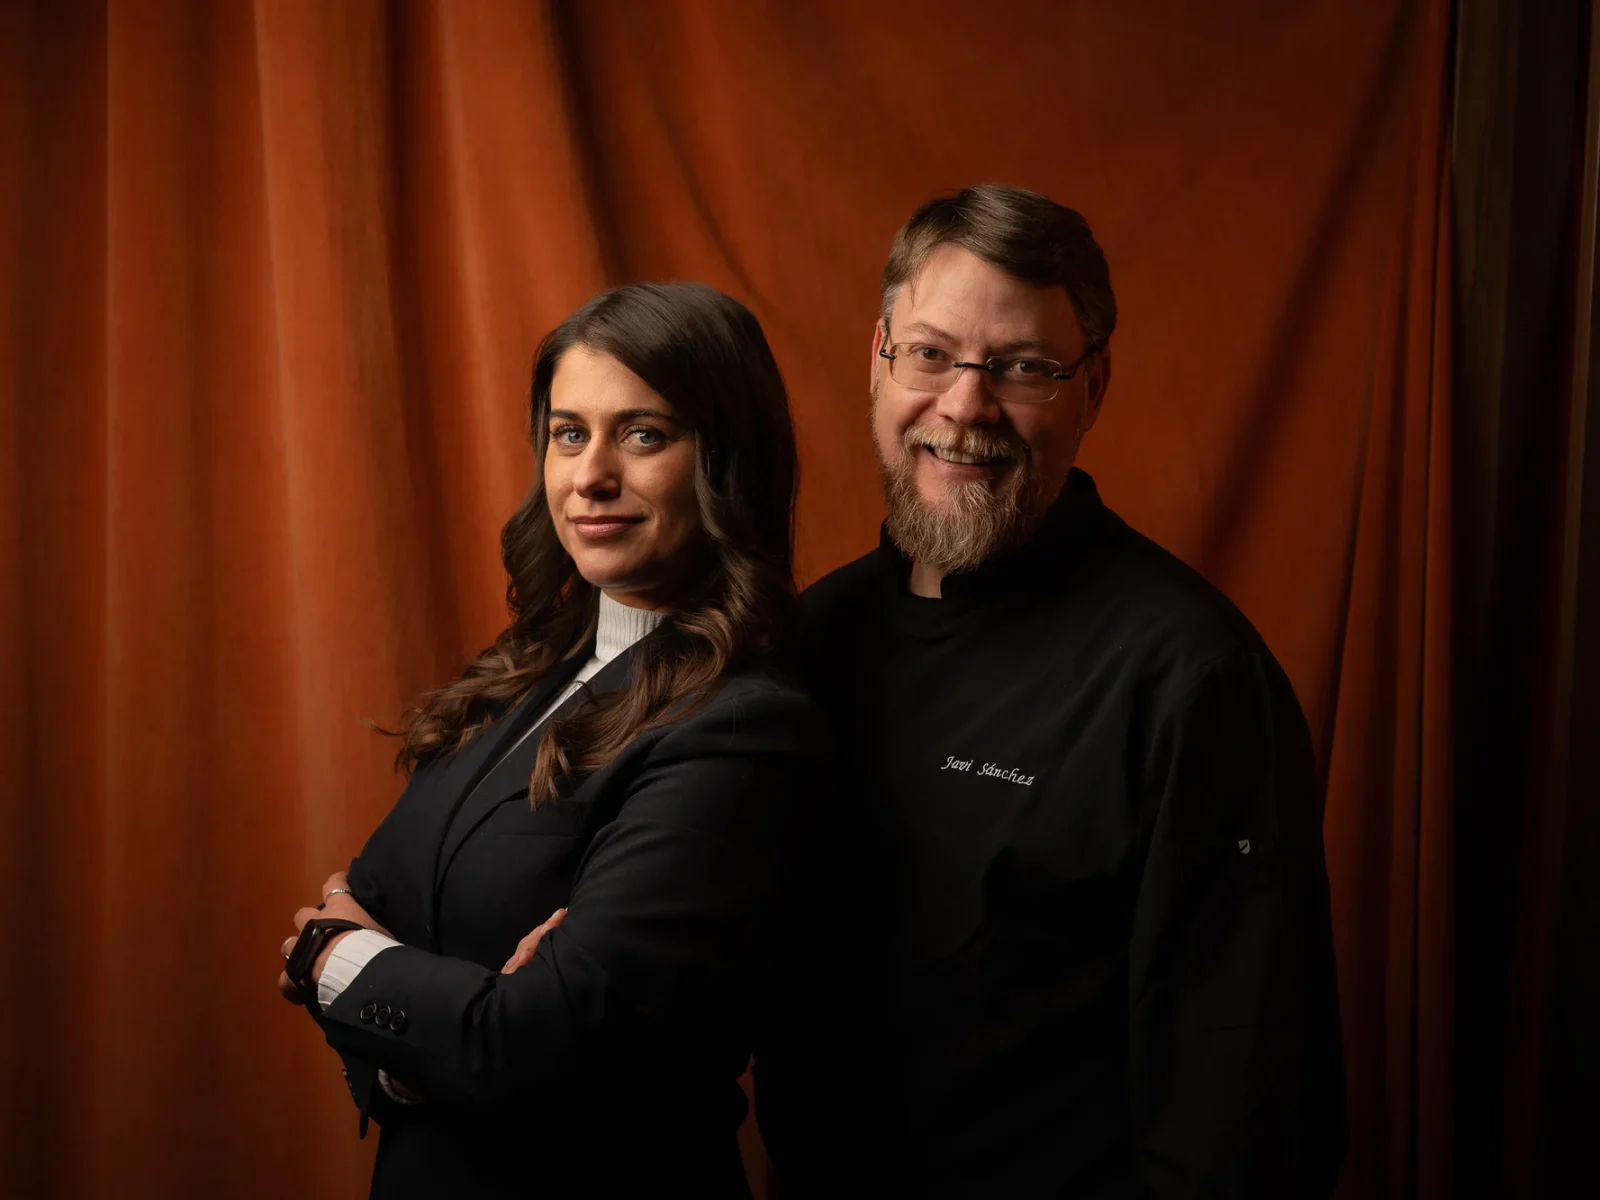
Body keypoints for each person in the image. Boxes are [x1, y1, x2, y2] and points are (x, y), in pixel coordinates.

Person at [754, 185, 1347, 1198]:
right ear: (878, 359)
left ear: (1092, 387)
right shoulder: (805, 638)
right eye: (931, 354)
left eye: (1023, 367)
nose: (964, 407)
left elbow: (1242, 1105)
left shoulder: (1191, 679)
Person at [275, 282, 828, 1199]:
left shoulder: (744, 729)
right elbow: (373, 894)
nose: (589, 476)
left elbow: (536, 1042)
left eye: (643, 435)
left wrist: (331, 960)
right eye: (569, 434)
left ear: (726, 459)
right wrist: (431, 1048)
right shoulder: (528, 671)